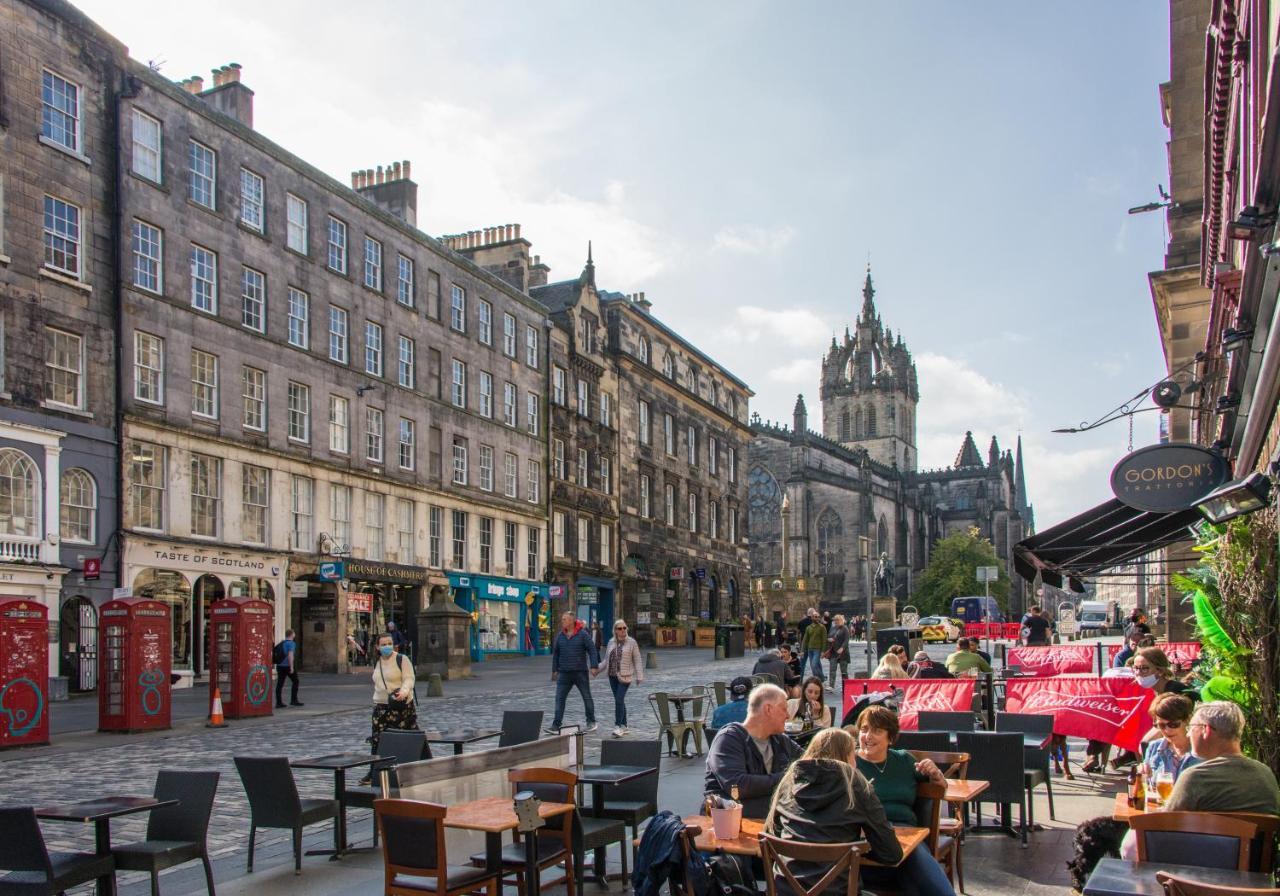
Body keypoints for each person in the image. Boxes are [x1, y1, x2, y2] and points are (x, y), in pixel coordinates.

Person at [764, 728, 903, 895]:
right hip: (838, 891)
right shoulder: (856, 787)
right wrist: (856, 850)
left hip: (785, 890)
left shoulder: (789, 782)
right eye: (854, 755)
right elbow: (891, 854)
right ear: (847, 757)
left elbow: (773, 834)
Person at [848, 706, 957, 896]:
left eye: (877, 731)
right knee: (912, 868)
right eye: (864, 729)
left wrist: (936, 773)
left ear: (890, 738)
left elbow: (940, 787)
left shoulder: (903, 760)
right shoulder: (850, 764)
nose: (868, 736)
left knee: (910, 862)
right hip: (868, 836)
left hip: (907, 836)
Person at [704, 683, 803, 818]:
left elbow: (807, 761)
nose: (787, 715)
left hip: (768, 821)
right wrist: (788, 777)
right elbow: (737, 786)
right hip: (728, 826)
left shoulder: (780, 740)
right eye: (784, 709)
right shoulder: (729, 738)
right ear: (768, 709)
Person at [1163, 701, 1280, 815]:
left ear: (1205, 730)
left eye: (1191, 727)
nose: (1188, 734)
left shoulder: (1195, 777)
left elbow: (1163, 825)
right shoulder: (1266, 774)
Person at [550, 611, 600, 733]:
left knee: (586, 697)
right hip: (564, 673)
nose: (562, 622)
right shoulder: (560, 636)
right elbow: (556, 654)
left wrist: (594, 666)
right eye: (562, 619)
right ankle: (556, 725)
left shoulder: (583, 635)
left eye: (564, 619)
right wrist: (554, 670)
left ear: (572, 621)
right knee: (559, 699)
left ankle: (591, 721)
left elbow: (592, 650)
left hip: (580, 673)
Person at [370, 631, 416, 751]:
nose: (387, 646)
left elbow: (409, 678)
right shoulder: (377, 661)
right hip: (381, 708)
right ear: (378, 647)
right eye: (384, 644)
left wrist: (404, 691)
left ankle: (406, 766)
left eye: (390, 643)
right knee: (379, 741)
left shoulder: (402, 659)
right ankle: (378, 769)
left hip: (400, 705)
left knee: (402, 742)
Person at [598, 619, 643, 737]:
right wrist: (596, 670)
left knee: (618, 700)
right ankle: (625, 725)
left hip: (625, 676)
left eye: (624, 628)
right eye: (620, 628)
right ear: (615, 631)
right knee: (620, 700)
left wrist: (639, 676)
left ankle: (617, 726)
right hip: (612, 676)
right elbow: (606, 660)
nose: (623, 630)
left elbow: (637, 660)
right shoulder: (611, 642)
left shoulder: (632, 642)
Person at [275, 628, 302, 708]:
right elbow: (290, 655)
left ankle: (279, 702)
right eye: (294, 633)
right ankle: (294, 700)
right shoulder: (291, 643)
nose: (295, 634)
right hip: (287, 665)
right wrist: (292, 667)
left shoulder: (282, 643)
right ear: (292, 634)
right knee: (296, 681)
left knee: (280, 684)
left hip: (280, 666)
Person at [801, 608, 827, 681]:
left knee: (814, 665)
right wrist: (802, 650)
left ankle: (817, 679)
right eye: (814, 616)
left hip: (817, 649)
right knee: (816, 665)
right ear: (811, 617)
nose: (816, 618)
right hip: (810, 649)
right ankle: (821, 678)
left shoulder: (822, 627)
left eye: (817, 617)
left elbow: (824, 640)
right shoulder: (808, 628)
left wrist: (823, 651)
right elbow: (805, 640)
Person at [827, 614, 850, 692]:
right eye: (835, 620)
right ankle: (831, 686)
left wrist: (842, 648)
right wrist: (829, 639)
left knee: (844, 671)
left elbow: (846, 640)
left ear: (842, 620)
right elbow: (829, 636)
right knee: (832, 669)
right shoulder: (832, 628)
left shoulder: (845, 629)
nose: (836, 621)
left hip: (843, 653)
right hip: (833, 652)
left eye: (838, 620)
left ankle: (846, 686)